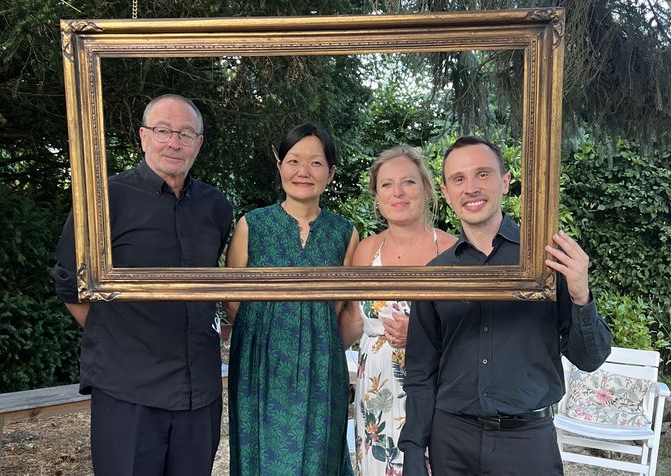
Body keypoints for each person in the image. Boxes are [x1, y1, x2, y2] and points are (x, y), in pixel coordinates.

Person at [398, 136, 612, 476]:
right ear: (447, 192)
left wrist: (581, 295)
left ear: (505, 181)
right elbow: (421, 372)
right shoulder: (437, 274)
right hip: (451, 442)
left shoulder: (547, 262)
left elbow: (590, 358)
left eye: (482, 174)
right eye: (459, 179)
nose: (471, 188)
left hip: (528, 444)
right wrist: (412, 448)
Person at [51, 94, 233, 476]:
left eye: (186, 134)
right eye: (163, 131)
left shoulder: (215, 206)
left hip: (199, 393)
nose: (174, 142)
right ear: (143, 136)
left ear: (199, 143)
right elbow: (70, 286)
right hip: (128, 392)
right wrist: (117, 336)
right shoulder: (104, 201)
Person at [225, 123, 359, 476]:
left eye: (316, 163)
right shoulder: (251, 225)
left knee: (319, 455)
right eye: (294, 160)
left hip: (321, 364)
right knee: (260, 456)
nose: (303, 171)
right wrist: (267, 338)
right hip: (259, 365)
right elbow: (233, 299)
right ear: (280, 165)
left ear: (330, 172)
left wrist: (313, 341)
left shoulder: (345, 233)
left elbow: (340, 306)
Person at [339, 145, 456, 475]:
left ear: (426, 188)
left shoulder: (452, 250)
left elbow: (471, 333)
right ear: (377, 195)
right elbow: (353, 321)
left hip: (436, 390)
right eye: (387, 184)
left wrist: (421, 335)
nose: (398, 192)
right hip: (376, 393)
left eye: (408, 182)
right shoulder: (366, 251)